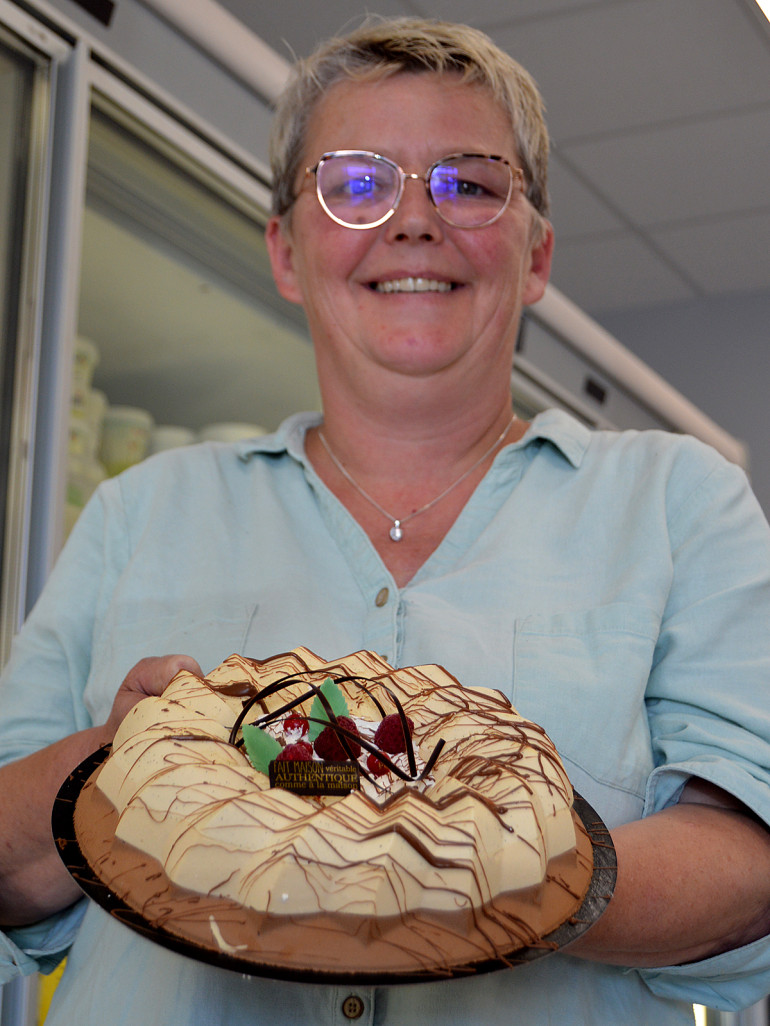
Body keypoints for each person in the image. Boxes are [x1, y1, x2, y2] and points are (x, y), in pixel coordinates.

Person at [1, 16, 770, 1026]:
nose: (413, 220)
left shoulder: (681, 501)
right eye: (355, 183)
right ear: (285, 250)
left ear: (535, 255)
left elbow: (747, 866)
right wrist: (122, 759)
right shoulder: (139, 510)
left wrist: (472, 871)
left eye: (468, 183)